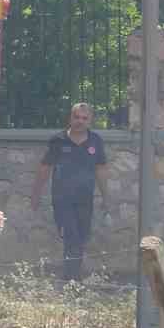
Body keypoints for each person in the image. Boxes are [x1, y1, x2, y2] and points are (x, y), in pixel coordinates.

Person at [31, 102, 110, 280]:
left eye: (84, 118)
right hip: (62, 199)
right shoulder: (58, 140)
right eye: (76, 117)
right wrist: (35, 195)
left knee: (81, 238)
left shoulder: (95, 141)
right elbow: (45, 168)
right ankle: (72, 279)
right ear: (70, 118)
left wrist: (106, 196)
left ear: (90, 121)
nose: (80, 121)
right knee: (71, 236)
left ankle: (73, 277)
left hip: (85, 199)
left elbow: (101, 169)